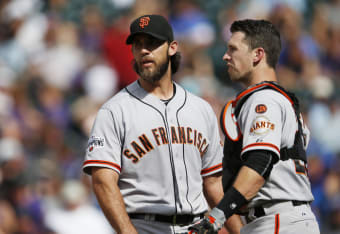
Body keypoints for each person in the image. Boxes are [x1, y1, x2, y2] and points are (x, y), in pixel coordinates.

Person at [82, 14, 242, 234]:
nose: (144, 51)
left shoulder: (200, 109)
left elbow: (213, 184)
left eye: (153, 43)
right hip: (145, 225)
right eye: (138, 45)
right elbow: (103, 182)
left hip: (197, 225)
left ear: (172, 48)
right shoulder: (114, 110)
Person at [189, 19, 320, 234]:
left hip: (277, 221)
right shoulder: (277, 99)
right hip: (279, 218)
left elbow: (260, 162)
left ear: (258, 55)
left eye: (233, 49)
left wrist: (216, 217)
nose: (225, 56)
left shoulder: (263, 101)